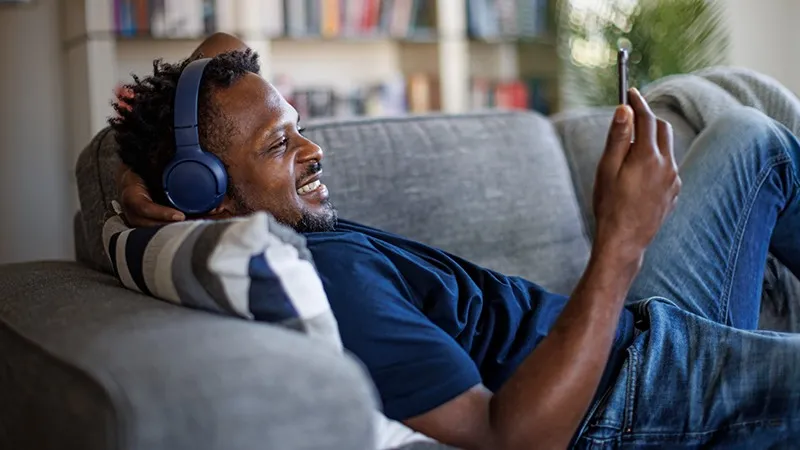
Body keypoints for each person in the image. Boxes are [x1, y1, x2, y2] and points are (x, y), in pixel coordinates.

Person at [110, 33, 800, 449]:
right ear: (208, 191)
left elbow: (220, 54)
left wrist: (132, 171)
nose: (313, 150)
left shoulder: (259, 216)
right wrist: (621, 239)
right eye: (278, 144)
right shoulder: (332, 283)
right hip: (627, 402)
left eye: (298, 127)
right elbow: (511, 439)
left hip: (628, 337)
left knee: (750, 138)